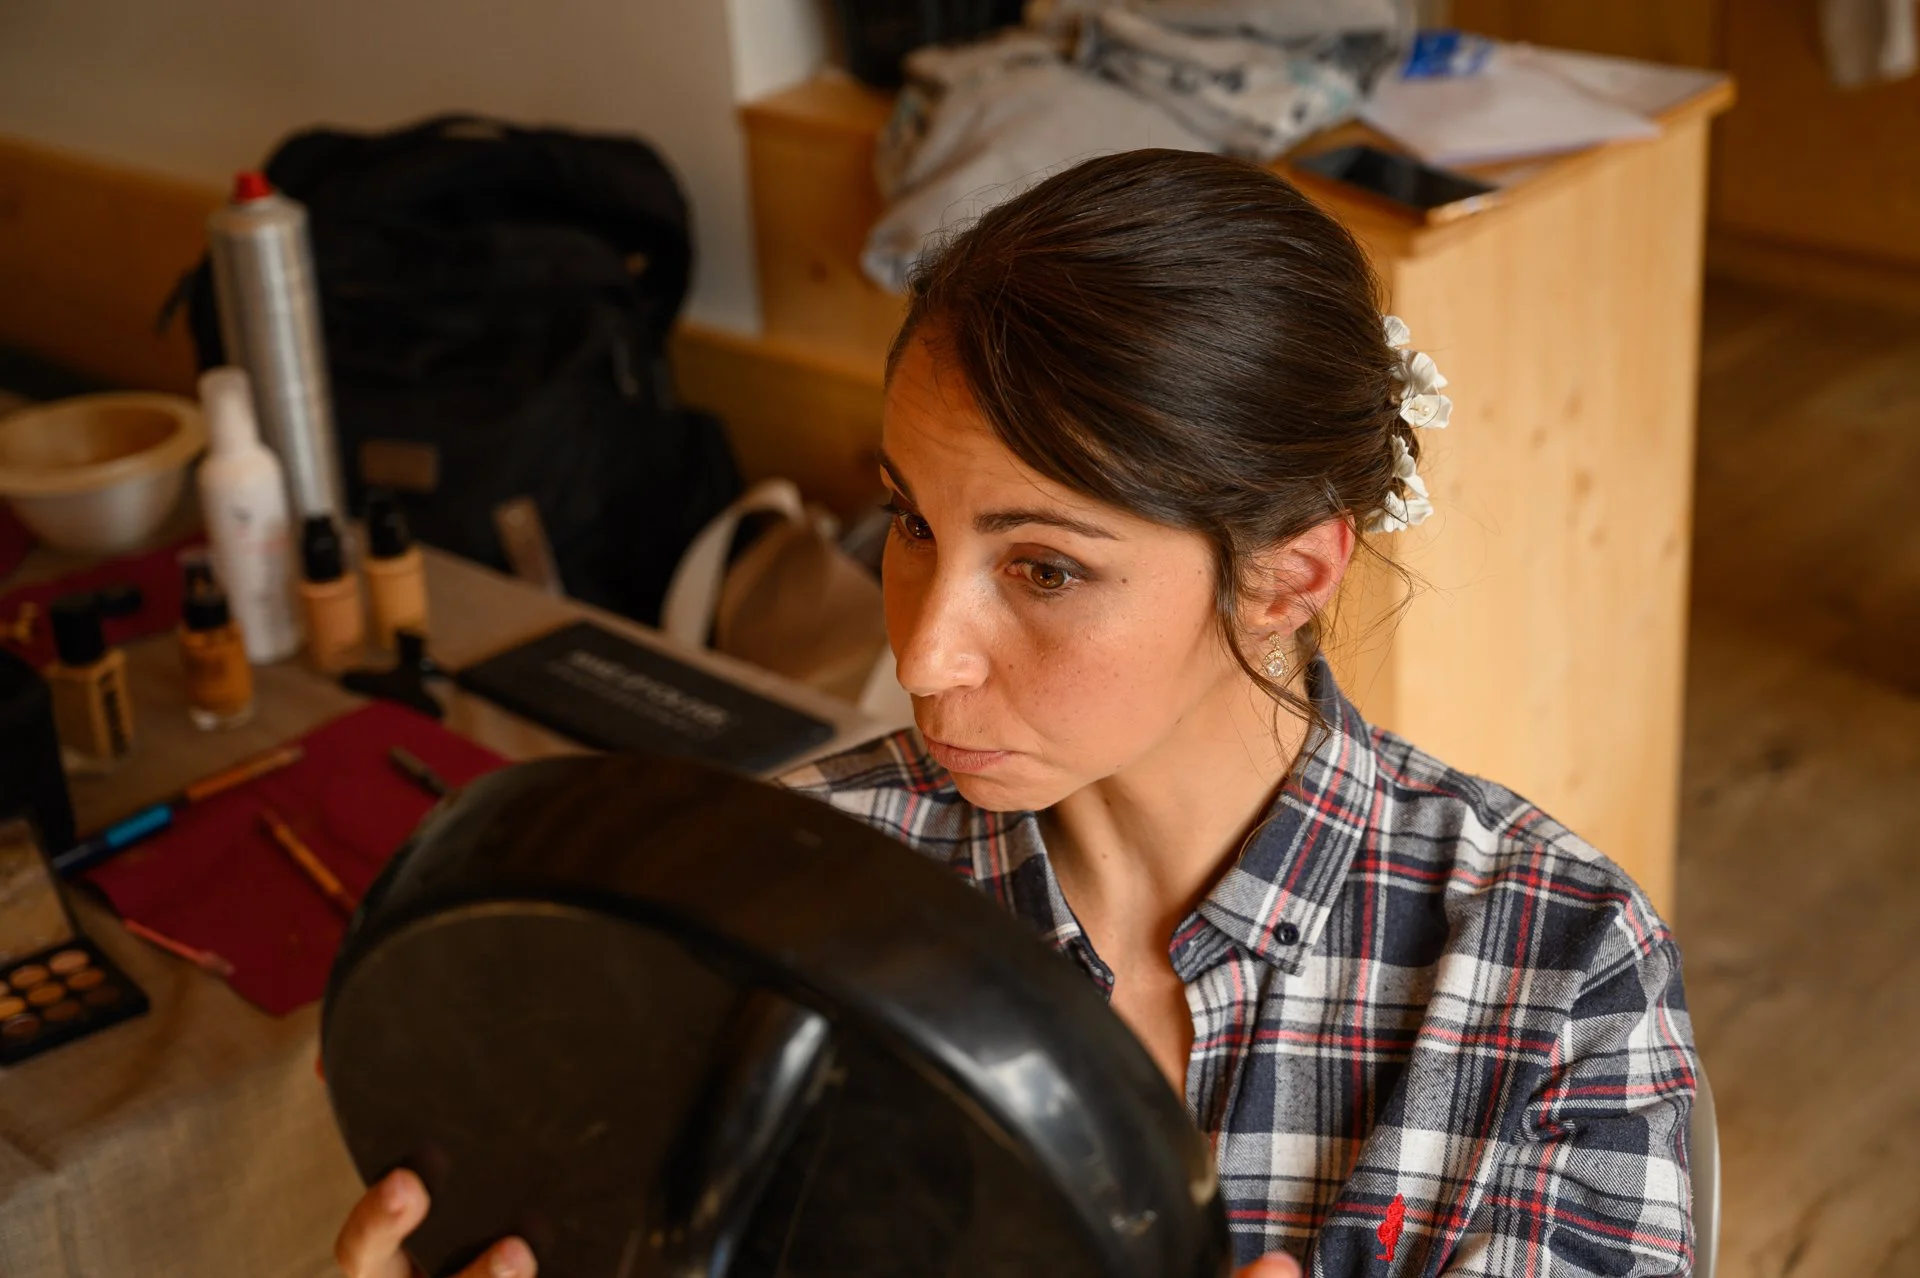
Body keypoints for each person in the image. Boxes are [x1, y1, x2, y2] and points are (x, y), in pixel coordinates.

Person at [334, 149, 1697, 1278]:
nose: (925, 654)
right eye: (911, 524)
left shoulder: (1556, 973)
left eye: (1044, 567)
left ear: (1289, 574)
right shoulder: (785, 886)